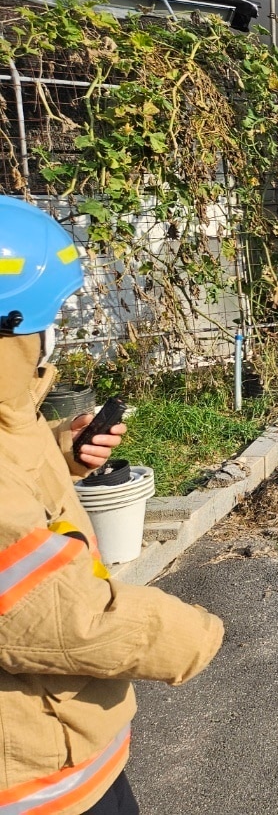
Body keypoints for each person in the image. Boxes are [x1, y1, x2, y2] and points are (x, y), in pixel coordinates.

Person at [0, 197, 225, 814]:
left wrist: (62, 450)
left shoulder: (8, 418)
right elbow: (67, 620)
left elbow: (12, 469)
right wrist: (192, 635)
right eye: (48, 319)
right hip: (37, 788)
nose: (55, 335)